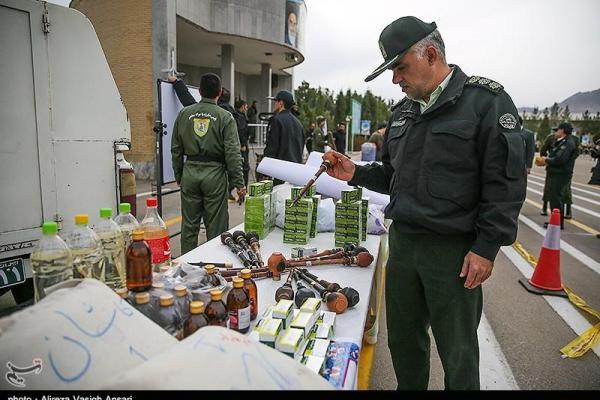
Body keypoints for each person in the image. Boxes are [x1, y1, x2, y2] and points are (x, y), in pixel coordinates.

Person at [324, 16, 526, 390]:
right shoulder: (403, 113)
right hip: (403, 246)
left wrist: (486, 247)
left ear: (430, 54)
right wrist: (355, 172)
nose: (395, 79)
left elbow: (505, 184)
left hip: (452, 254)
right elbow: (393, 176)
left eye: (400, 67)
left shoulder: (485, 103)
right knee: (403, 343)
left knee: (458, 351)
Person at [171, 73, 246, 254]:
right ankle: (215, 264)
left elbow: (176, 148)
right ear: (219, 93)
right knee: (216, 226)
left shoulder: (184, 114)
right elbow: (232, 153)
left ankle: (187, 265)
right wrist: (239, 183)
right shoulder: (225, 117)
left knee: (189, 226)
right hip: (215, 175)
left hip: (190, 172)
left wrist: (179, 174)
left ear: (200, 91)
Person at [535, 122, 577, 229]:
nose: (556, 132)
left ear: (562, 130)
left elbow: (561, 159)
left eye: (558, 130)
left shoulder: (567, 143)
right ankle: (556, 222)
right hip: (556, 173)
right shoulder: (562, 142)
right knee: (555, 197)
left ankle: (557, 223)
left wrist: (546, 160)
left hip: (560, 174)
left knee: (556, 198)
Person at [263, 90, 305, 185]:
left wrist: (265, 170)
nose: (275, 104)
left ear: (281, 103)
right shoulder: (299, 124)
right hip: (295, 171)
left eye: (276, 101)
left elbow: (272, 147)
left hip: (280, 171)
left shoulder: (276, 120)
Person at [234, 99, 251, 187]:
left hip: (237, 144)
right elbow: (242, 130)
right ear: (242, 106)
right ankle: (243, 187)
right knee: (245, 167)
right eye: (246, 106)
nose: (247, 108)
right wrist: (243, 144)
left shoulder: (236, 115)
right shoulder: (240, 117)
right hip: (242, 146)